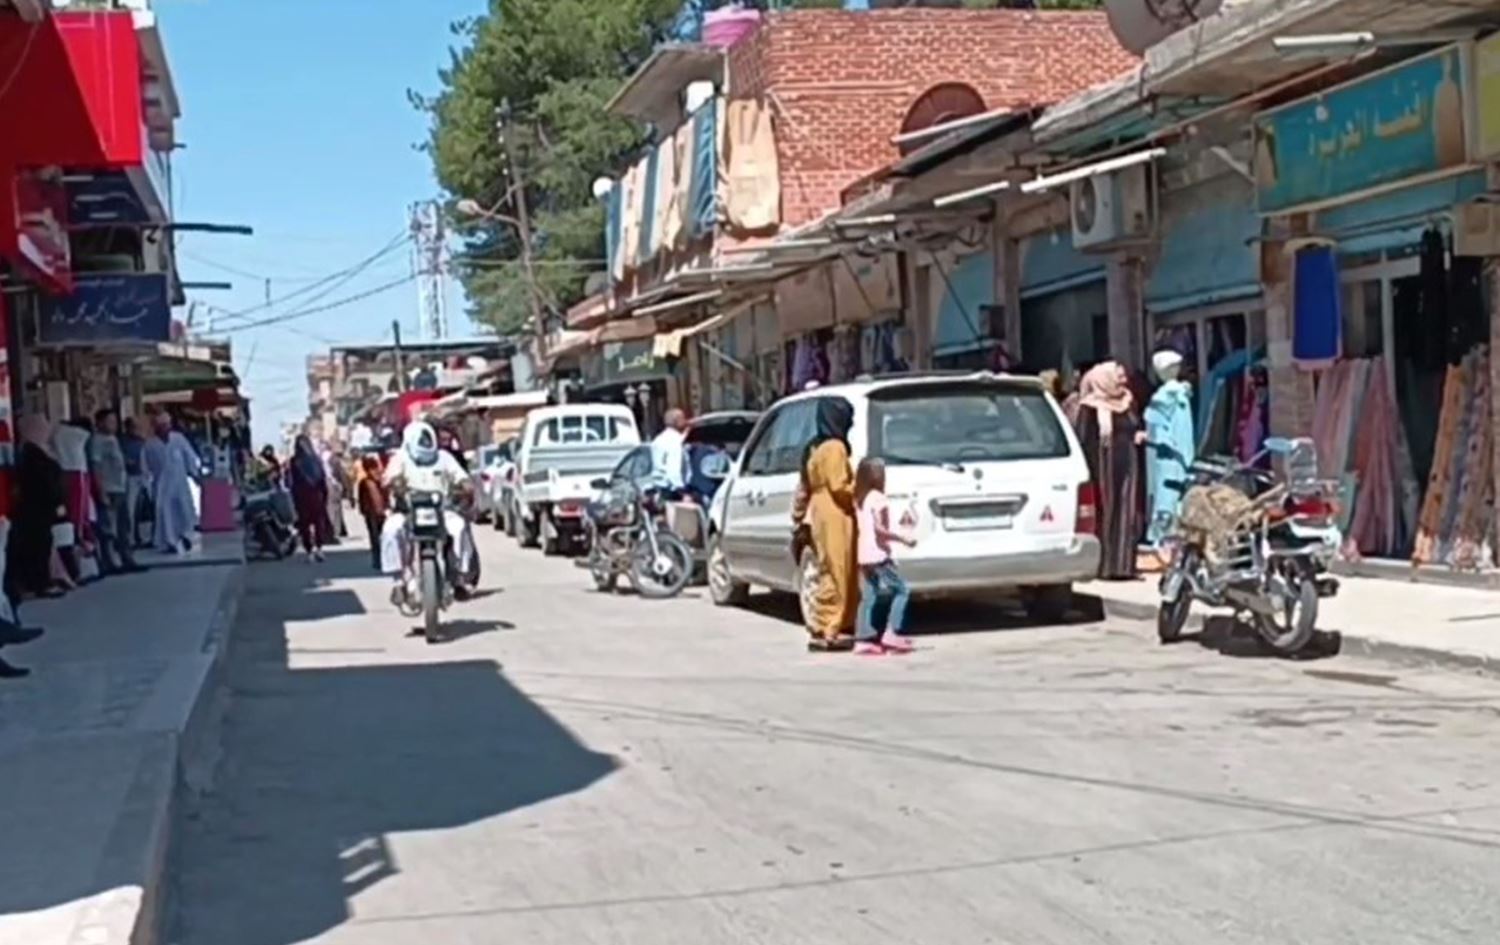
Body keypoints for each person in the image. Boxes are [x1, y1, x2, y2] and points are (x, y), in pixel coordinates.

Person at [794, 397, 859, 652]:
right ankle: (829, 627)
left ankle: (832, 624)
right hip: (836, 512)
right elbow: (839, 486)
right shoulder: (835, 448)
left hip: (819, 511)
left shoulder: (814, 448)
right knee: (838, 569)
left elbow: (803, 488)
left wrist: (797, 516)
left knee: (829, 567)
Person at [1072, 360, 1144, 580]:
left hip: (1127, 464)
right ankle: (1104, 566)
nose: (1123, 381)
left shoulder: (1128, 401)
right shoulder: (1089, 407)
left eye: (1123, 376)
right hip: (1101, 467)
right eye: (1118, 377)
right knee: (1106, 511)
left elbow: (1134, 426)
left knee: (1127, 511)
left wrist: (1138, 435)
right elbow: (1083, 440)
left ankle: (1123, 566)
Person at [379, 421, 473, 583]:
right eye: (421, 440)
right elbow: (388, 479)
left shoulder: (443, 457)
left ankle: (459, 572)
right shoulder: (400, 458)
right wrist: (395, 483)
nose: (425, 443)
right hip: (407, 510)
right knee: (391, 530)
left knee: (459, 527)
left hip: (441, 510)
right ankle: (398, 577)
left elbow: (460, 476)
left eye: (427, 440)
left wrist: (466, 486)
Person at [852, 457, 916, 656]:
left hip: (863, 554)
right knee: (902, 590)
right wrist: (903, 539)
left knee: (869, 595)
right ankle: (892, 632)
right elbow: (880, 530)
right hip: (878, 554)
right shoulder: (879, 498)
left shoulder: (859, 499)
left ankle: (863, 638)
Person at [88, 409, 143, 576]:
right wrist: (101, 491)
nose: (114, 425)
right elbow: (96, 467)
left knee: (124, 526)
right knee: (108, 528)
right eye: (109, 421)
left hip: (121, 487)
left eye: (114, 421)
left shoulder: (113, 440)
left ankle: (127, 558)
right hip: (109, 488)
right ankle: (109, 562)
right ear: (100, 423)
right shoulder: (97, 441)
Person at [143, 413, 201, 554]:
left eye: (167, 425)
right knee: (165, 514)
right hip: (161, 486)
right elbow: (145, 468)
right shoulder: (150, 445)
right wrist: (147, 486)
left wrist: (194, 474)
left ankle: (184, 536)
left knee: (184, 511)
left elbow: (189, 456)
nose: (165, 428)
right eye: (161, 426)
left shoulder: (178, 439)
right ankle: (169, 542)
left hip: (180, 483)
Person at [289, 435, 331, 562]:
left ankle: (310, 550)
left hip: (302, 496)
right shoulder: (316, 459)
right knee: (318, 522)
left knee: (304, 523)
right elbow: (322, 478)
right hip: (316, 495)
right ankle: (319, 548)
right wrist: (325, 494)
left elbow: (293, 481)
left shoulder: (295, 461)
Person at [356, 454, 387, 572]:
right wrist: (363, 510)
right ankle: (378, 559)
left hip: (378, 513)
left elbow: (385, 495)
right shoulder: (366, 483)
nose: (375, 471)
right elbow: (362, 498)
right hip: (372, 513)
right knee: (376, 537)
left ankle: (380, 558)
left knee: (380, 537)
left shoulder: (378, 481)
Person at [120, 418, 148, 549]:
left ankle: (137, 536)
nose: (136, 430)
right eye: (133, 427)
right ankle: (129, 538)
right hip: (129, 477)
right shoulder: (122, 442)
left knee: (138, 510)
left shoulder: (142, 441)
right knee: (129, 509)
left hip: (140, 476)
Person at [650, 408, 688, 492]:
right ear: (677, 421)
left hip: (659, 485)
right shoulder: (675, 441)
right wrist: (681, 490)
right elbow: (673, 467)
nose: (685, 421)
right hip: (672, 488)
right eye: (683, 418)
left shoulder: (658, 439)